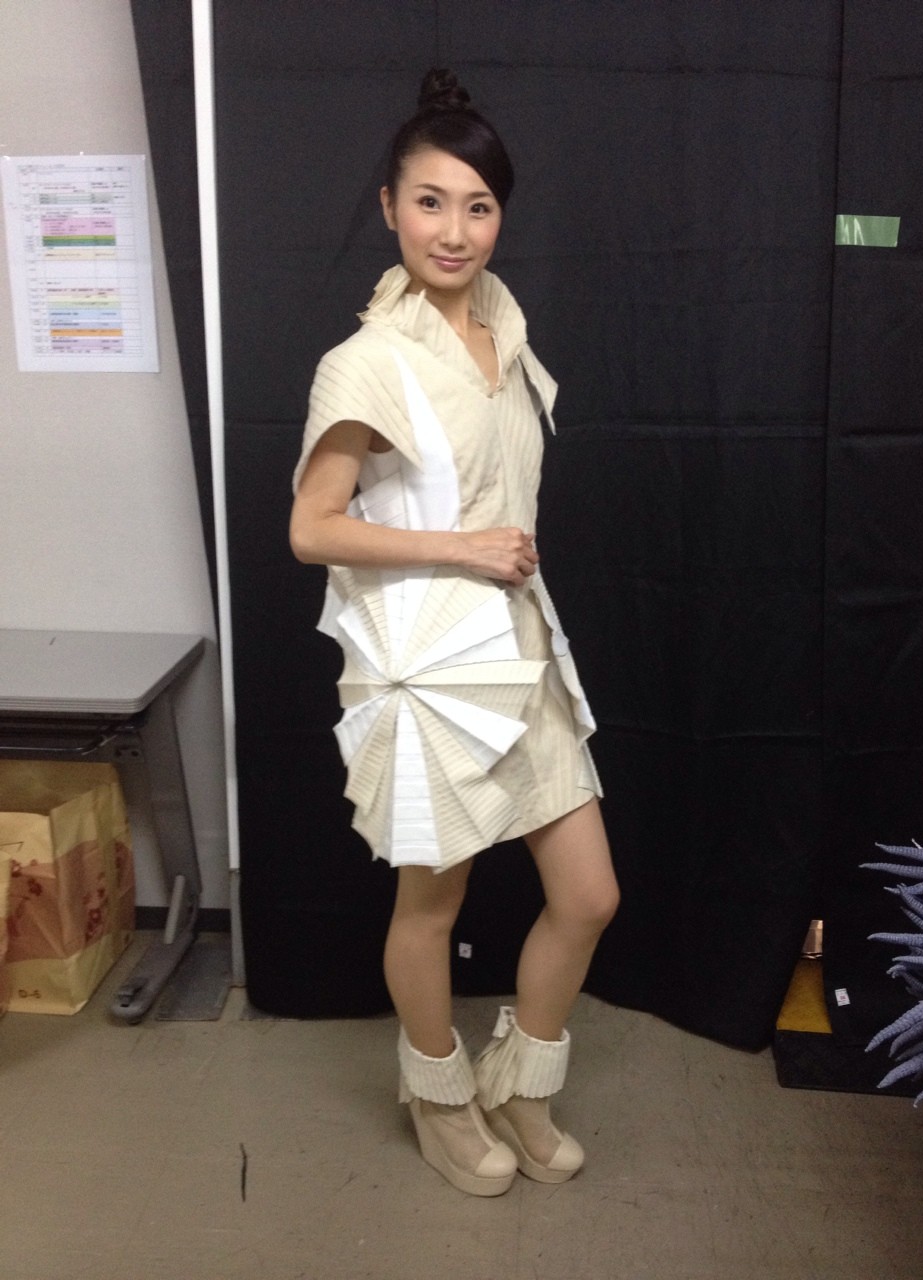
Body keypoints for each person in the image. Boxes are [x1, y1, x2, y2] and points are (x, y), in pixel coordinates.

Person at [289, 68, 619, 1197]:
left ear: (499, 217)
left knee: (589, 893)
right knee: (430, 905)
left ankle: (520, 1083)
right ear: (390, 206)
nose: (453, 229)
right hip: (432, 665)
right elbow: (310, 528)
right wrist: (464, 549)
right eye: (429, 202)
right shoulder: (367, 362)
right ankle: (438, 1098)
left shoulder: (507, 336)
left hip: (523, 650)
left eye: (477, 206)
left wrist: (497, 561)